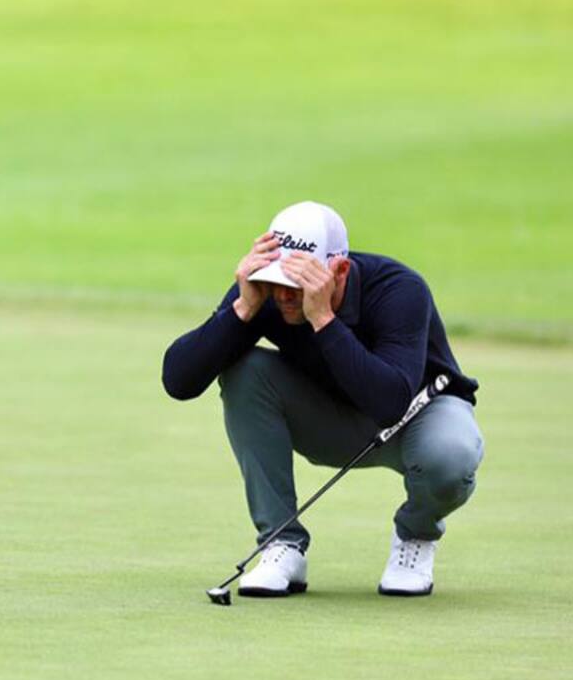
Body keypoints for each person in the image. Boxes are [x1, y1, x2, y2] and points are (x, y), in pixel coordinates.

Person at [162, 201, 483, 598]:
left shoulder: (400, 290)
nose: (283, 295)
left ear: (340, 270)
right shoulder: (266, 293)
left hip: (415, 420)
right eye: (276, 280)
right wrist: (242, 307)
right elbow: (178, 381)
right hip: (331, 423)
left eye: (298, 283)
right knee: (245, 371)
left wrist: (323, 320)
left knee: (452, 455)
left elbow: (389, 403)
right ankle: (282, 544)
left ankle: (415, 536)